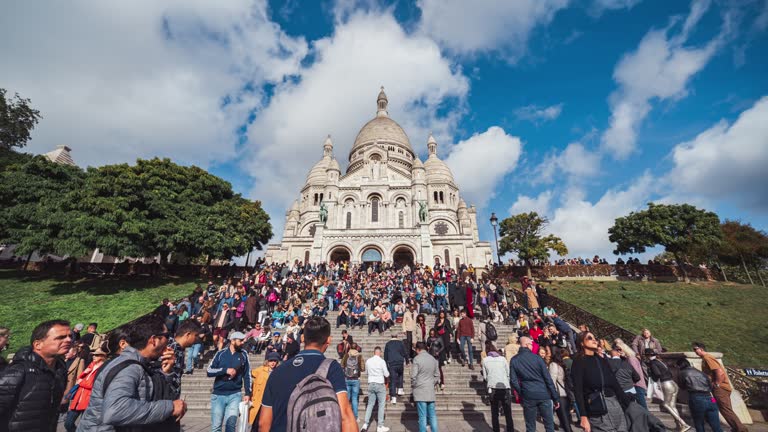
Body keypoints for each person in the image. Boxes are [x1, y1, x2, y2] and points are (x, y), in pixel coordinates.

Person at [77, 314, 187, 431]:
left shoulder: (140, 364)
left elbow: (149, 396)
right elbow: (115, 410)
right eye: (166, 335)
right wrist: (170, 407)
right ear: (154, 340)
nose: (169, 340)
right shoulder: (129, 368)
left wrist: (166, 373)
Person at [259, 316, 357, 432]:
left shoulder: (277, 371)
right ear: (329, 340)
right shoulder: (332, 368)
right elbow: (345, 416)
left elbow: (263, 423)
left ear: (302, 338)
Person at [0, 319, 71, 432]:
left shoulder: (60, 370)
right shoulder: (18, 372)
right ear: (38, 344)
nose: (69, 340)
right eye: (60, 337)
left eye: (69, 336)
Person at [571, 331, 628, 432]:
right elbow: (578, 390)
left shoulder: (601, 360)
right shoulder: (579, 362)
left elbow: (615, 384)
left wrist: (628, 404)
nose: (594, 340)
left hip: (614, 406)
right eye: (589, 338)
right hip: (597, 408)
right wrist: (583, 416)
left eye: (594, 337)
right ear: (582, 343)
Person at [693, 342, 748, 432]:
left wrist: (717, 383)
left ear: (701, 349)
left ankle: (741, 429)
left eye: (696, 349)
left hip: (720, 389)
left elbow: (719, 372)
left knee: (726, 410)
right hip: (717, 389)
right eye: (693, 350)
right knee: (723, 409)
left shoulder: (708, 358)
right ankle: (736, 428)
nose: (695, 351)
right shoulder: (705, 358)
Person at [509, 336, 560, 432]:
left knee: (530, 426)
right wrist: (555, 397)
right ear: (527, 345)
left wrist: (522, 392)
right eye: (531, 344)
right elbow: (548, 379)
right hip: (543, 393)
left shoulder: (514, 360)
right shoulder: (538, 358)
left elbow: (513, 380)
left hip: (528, 394)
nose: (532, 346)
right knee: (549, 425)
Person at [207, 331, 252, 432]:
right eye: (240, 340)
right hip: (218, 395)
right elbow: (209, 371)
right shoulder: (220, 353)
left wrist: (248, 393)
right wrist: (225, 370)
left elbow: (247, 374)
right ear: (232, 341)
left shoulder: (244, 354)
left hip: (235, 395)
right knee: (216, 427)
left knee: (231, 427)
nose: (242, 342)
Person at [645, 349, 690, 431]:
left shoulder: (652, 363)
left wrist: (651, 374)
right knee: (672, 406)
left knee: (665, 404)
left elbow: (657, 374)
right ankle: (679, 426)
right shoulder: (660, 362)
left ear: (647, 356)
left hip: (666, 383)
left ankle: (683, 423)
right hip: (673, 383)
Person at [64, 347, 107, 432]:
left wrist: (81, 382)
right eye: (93, 355)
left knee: (85, 426)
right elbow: (80, 377)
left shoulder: (104, 369)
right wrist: (81, 381)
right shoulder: (91, 365)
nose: (94, 356)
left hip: (89, 399)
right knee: (68, 423)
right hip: (79, 397)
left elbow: (94, 384)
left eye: (97, 355)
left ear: (103, 356)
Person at [676, 358, 723, 432]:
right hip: (710, 398)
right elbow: (710, 386)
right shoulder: (701, 373)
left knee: (699, 423)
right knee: (716, 424)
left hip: (696, 398)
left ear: (679, 366)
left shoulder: (682, 373)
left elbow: (682, 386)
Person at [482, 342, 513, 432]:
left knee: (494, 412)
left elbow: (485, 376)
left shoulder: (485, 360)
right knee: (508, 412)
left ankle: (496, 430)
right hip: (505, 387)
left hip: (492, 388)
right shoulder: (502, 359)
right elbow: (508, 373)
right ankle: (510, 430)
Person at [411, 342, 440, 432]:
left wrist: (414, 384)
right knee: (432, 415)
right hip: (430, 390)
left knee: (422, 416)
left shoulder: (416, 359)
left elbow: (413, 376)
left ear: (418, 349)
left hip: (420, 390)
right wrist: (431, 383)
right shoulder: (433, 359)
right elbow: (437, 375)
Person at [248, 352, 280, 432]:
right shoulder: (260, 370)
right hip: (259, 401)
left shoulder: (279, 371)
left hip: (271, 402)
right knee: (255, 425)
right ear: (267, 361)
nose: (272, 363)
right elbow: (248, 374)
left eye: (275, 361)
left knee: (268, 425)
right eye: (271, 360)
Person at [362, 346, 390, 432]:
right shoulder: (382, 361)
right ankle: (380, 426)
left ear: (374, 352)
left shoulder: (368, 361)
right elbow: (386, 374)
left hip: (371, 383)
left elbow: (366, 372)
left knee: (370, 404)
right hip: (379, 383)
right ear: (380, 352)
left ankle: (365, 424)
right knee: (381, 405)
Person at [614, 339, 647, 409]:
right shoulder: (627, 359)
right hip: (635, 385)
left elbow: (635, 374)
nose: (618, 352)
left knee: (642, 408)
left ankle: (648, 420)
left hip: (637, 385)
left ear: (624, 349)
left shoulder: (631, 359)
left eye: (620, 350)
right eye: (616, 350)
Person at [341, 346, 365, 420]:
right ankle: (355, 417)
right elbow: (363, 368)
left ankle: (345, 415)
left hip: (347, 379)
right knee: (354, 399)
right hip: (355, 379)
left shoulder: (346, 356)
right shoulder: (359, 357)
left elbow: (341, 365)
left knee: (347, 398)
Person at [384, 332, 407, 403]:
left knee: (393, 380)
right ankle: (400, 389)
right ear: (397, 336)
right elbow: (404, 352)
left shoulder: (388, 344)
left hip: (392, 363)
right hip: (399, 361)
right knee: (400, 374)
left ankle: (393, 397)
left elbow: (385, 355)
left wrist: (386, 364)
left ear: (391, 336)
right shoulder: (400, 343)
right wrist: (407, 359)